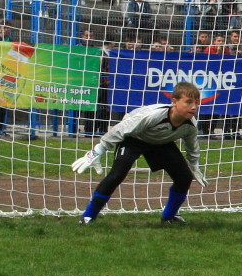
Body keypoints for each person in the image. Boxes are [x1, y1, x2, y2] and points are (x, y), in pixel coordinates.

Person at [73, 80, 204, 224]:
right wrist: (97, 151)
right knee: (117, 175)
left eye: (196, 103)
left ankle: (169, 217)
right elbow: (121, 129)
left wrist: (194, 165)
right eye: (188, 102)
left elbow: (192, 146)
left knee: (184, 177)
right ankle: (88, 217)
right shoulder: (153, 116)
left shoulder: (191, 124)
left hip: (159, 143)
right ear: (174, 101)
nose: (193, 107)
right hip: (133, 139)